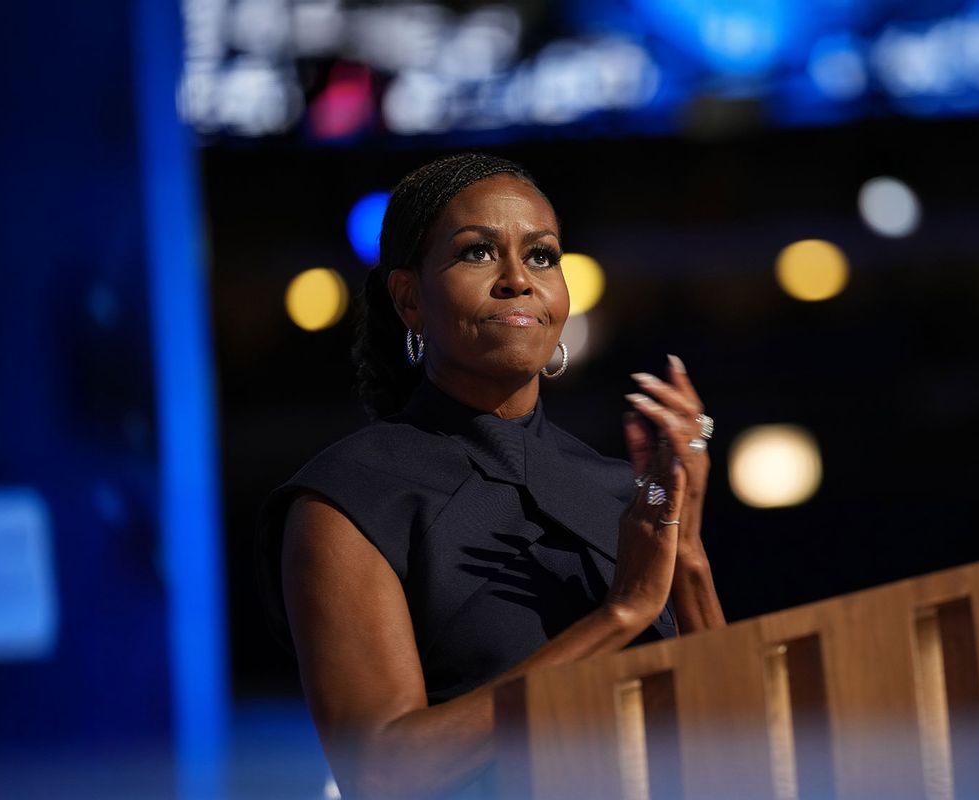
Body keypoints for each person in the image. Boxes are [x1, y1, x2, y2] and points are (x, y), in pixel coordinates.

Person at [257, 153, 725, 799]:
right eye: (477, 253)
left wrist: (689, 554)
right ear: (409, 299)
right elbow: (382, 773)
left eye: (541, 256)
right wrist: (619, 615)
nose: (518, 281)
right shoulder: (349, 500)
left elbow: (741, 744)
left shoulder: (622, 490)